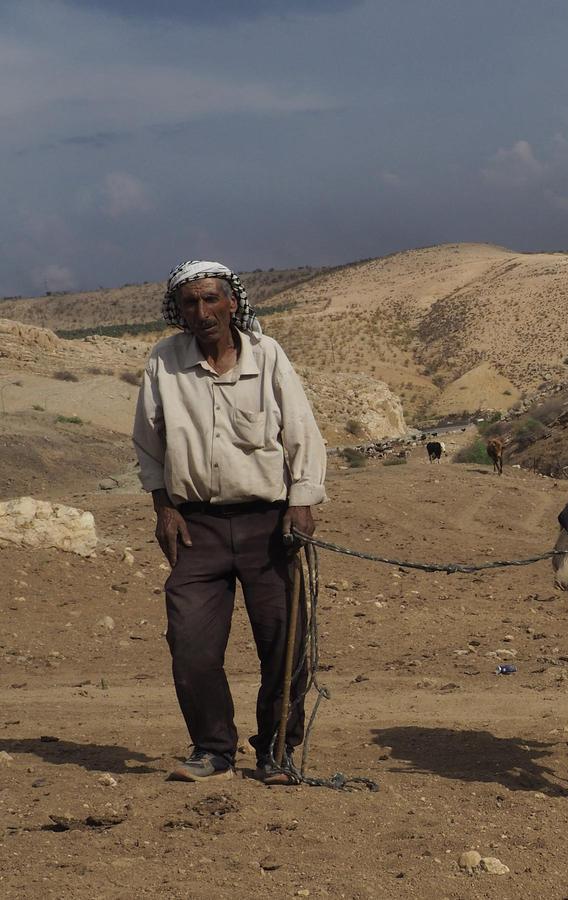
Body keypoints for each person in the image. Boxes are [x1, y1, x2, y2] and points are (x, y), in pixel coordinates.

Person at [132, 260, 327, 784]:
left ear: (233, 303)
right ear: (180, 312)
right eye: (191, 303)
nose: (202, 312)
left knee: (286, 643)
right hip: (197, 527)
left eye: (212, 299)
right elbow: (148, 446)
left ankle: (276, 750)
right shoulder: (164, 362)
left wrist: (303, 502)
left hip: (270, 525)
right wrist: (163, 507)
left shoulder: (268, 357)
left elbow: (303, 434)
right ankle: (213, 748)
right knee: (191, 643)